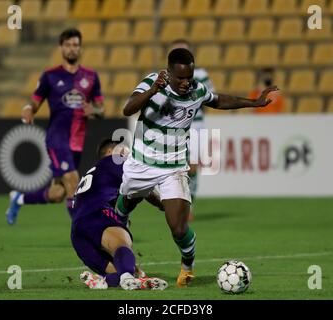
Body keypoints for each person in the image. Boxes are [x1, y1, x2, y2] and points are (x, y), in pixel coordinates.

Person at [115, 48, 278, 288]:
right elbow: (128, 109)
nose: (185, 82)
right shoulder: (152, 82)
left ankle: (187, 265)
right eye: (180, 77)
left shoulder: (196, 90)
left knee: (178, 226)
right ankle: (116, 243)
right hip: (141, 163)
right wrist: (153, 91)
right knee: (122, 209)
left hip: (174, 167)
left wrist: (254, 102)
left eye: (189, 77)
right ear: (168, 72)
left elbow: (219, 100)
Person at [5, 28, 104, 225]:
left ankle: (19, 198)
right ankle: (84, 232)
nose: (72, 49)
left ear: (80, 49)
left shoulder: (91, 77)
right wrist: (28, 109)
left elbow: (102, 110)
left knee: (58, 193)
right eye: (68, 45)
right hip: (57, 138)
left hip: (77, 142)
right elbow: (35, 102)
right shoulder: (50, 76)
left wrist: (92, 109)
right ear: (61, 48)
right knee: (73, 179)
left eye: (75, 45)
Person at [72, 139, 168, 290]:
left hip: (77, 235)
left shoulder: (95, 172)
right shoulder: (114, 161)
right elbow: (142, 187)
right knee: (122, 246)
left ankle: (102, 281)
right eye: (123, 149)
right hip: (97, 216)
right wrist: (164, 204)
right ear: (110, 153)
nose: (127, 153)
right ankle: (128, 278)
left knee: (122, 272)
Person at [168, 39, 216, 221]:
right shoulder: (166, 76)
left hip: (195, 123)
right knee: (178, 167)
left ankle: (189, 205)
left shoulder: (201, 74)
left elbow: (211, 97)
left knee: (193, 166)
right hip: (174, 125)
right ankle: (180, 204)